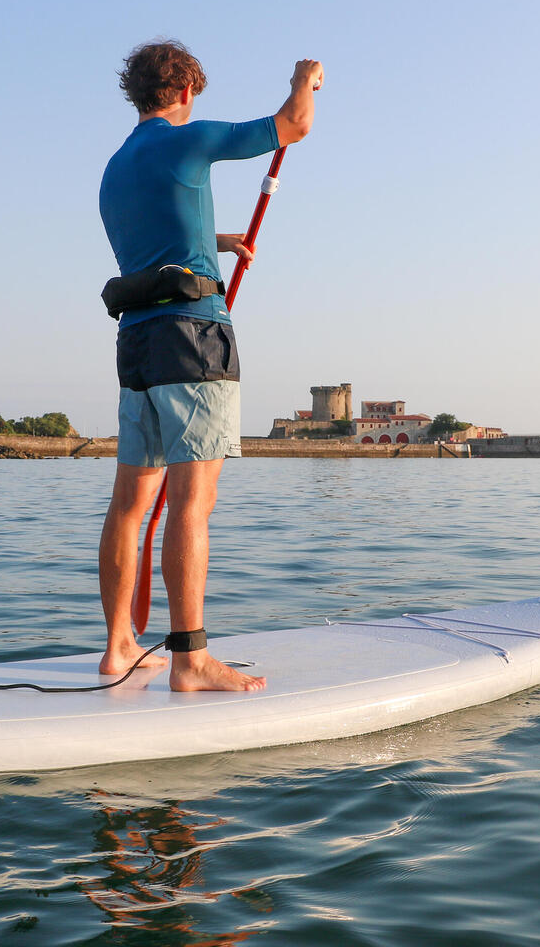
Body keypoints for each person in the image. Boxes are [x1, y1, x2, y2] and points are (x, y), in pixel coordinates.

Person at [97, 40, 323, 692]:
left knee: (131, 505)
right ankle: (189, 660)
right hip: (193, 339)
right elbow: (293, 125)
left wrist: (216, 242)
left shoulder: (117, 166)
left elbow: (157, 236)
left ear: (136, 94)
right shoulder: (188, 140)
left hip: (137, 343)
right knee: (192, 505)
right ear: (187, 90)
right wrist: (303, 78)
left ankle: (118, 648)